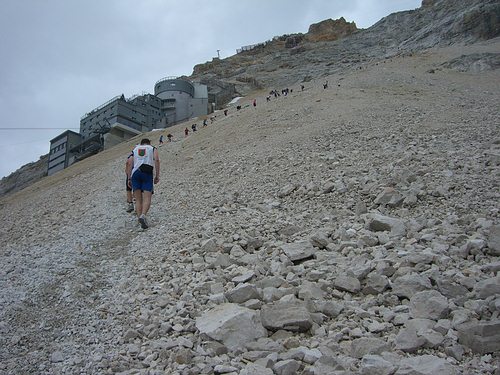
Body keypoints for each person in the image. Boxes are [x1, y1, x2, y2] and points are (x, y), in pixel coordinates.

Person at [126, 139, 160, 229]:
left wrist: (129, 178)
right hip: (147, 172)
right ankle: (143, 216)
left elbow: (129, 163)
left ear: (141, 144)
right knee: (147, 197)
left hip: (135, 174)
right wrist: (157, 175)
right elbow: (156, 160)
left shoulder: (135, 149)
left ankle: (139, 219)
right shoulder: (152, 148)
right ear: (149, 143)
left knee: (138, 199)